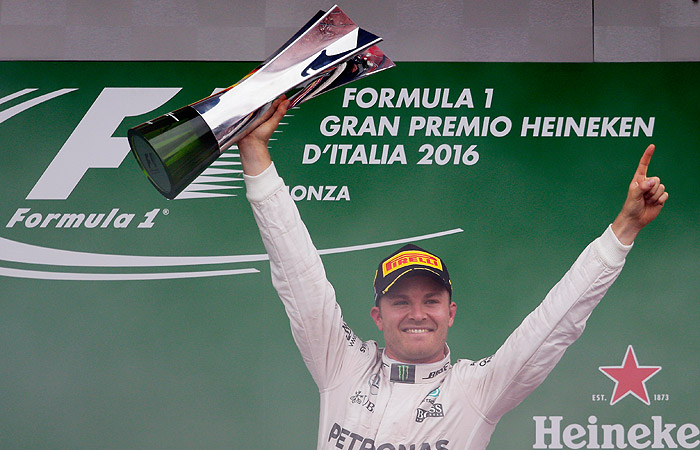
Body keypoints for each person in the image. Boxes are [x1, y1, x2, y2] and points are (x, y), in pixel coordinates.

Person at [236, 96, 668, 450]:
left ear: (451, 312)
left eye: (431, 300)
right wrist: (255, 153)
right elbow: (298, 273)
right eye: (400, 301)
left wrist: (622, 232)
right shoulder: (342, 365)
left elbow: (554, 323)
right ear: (377, 316)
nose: (417, 313)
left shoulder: (475, 390)